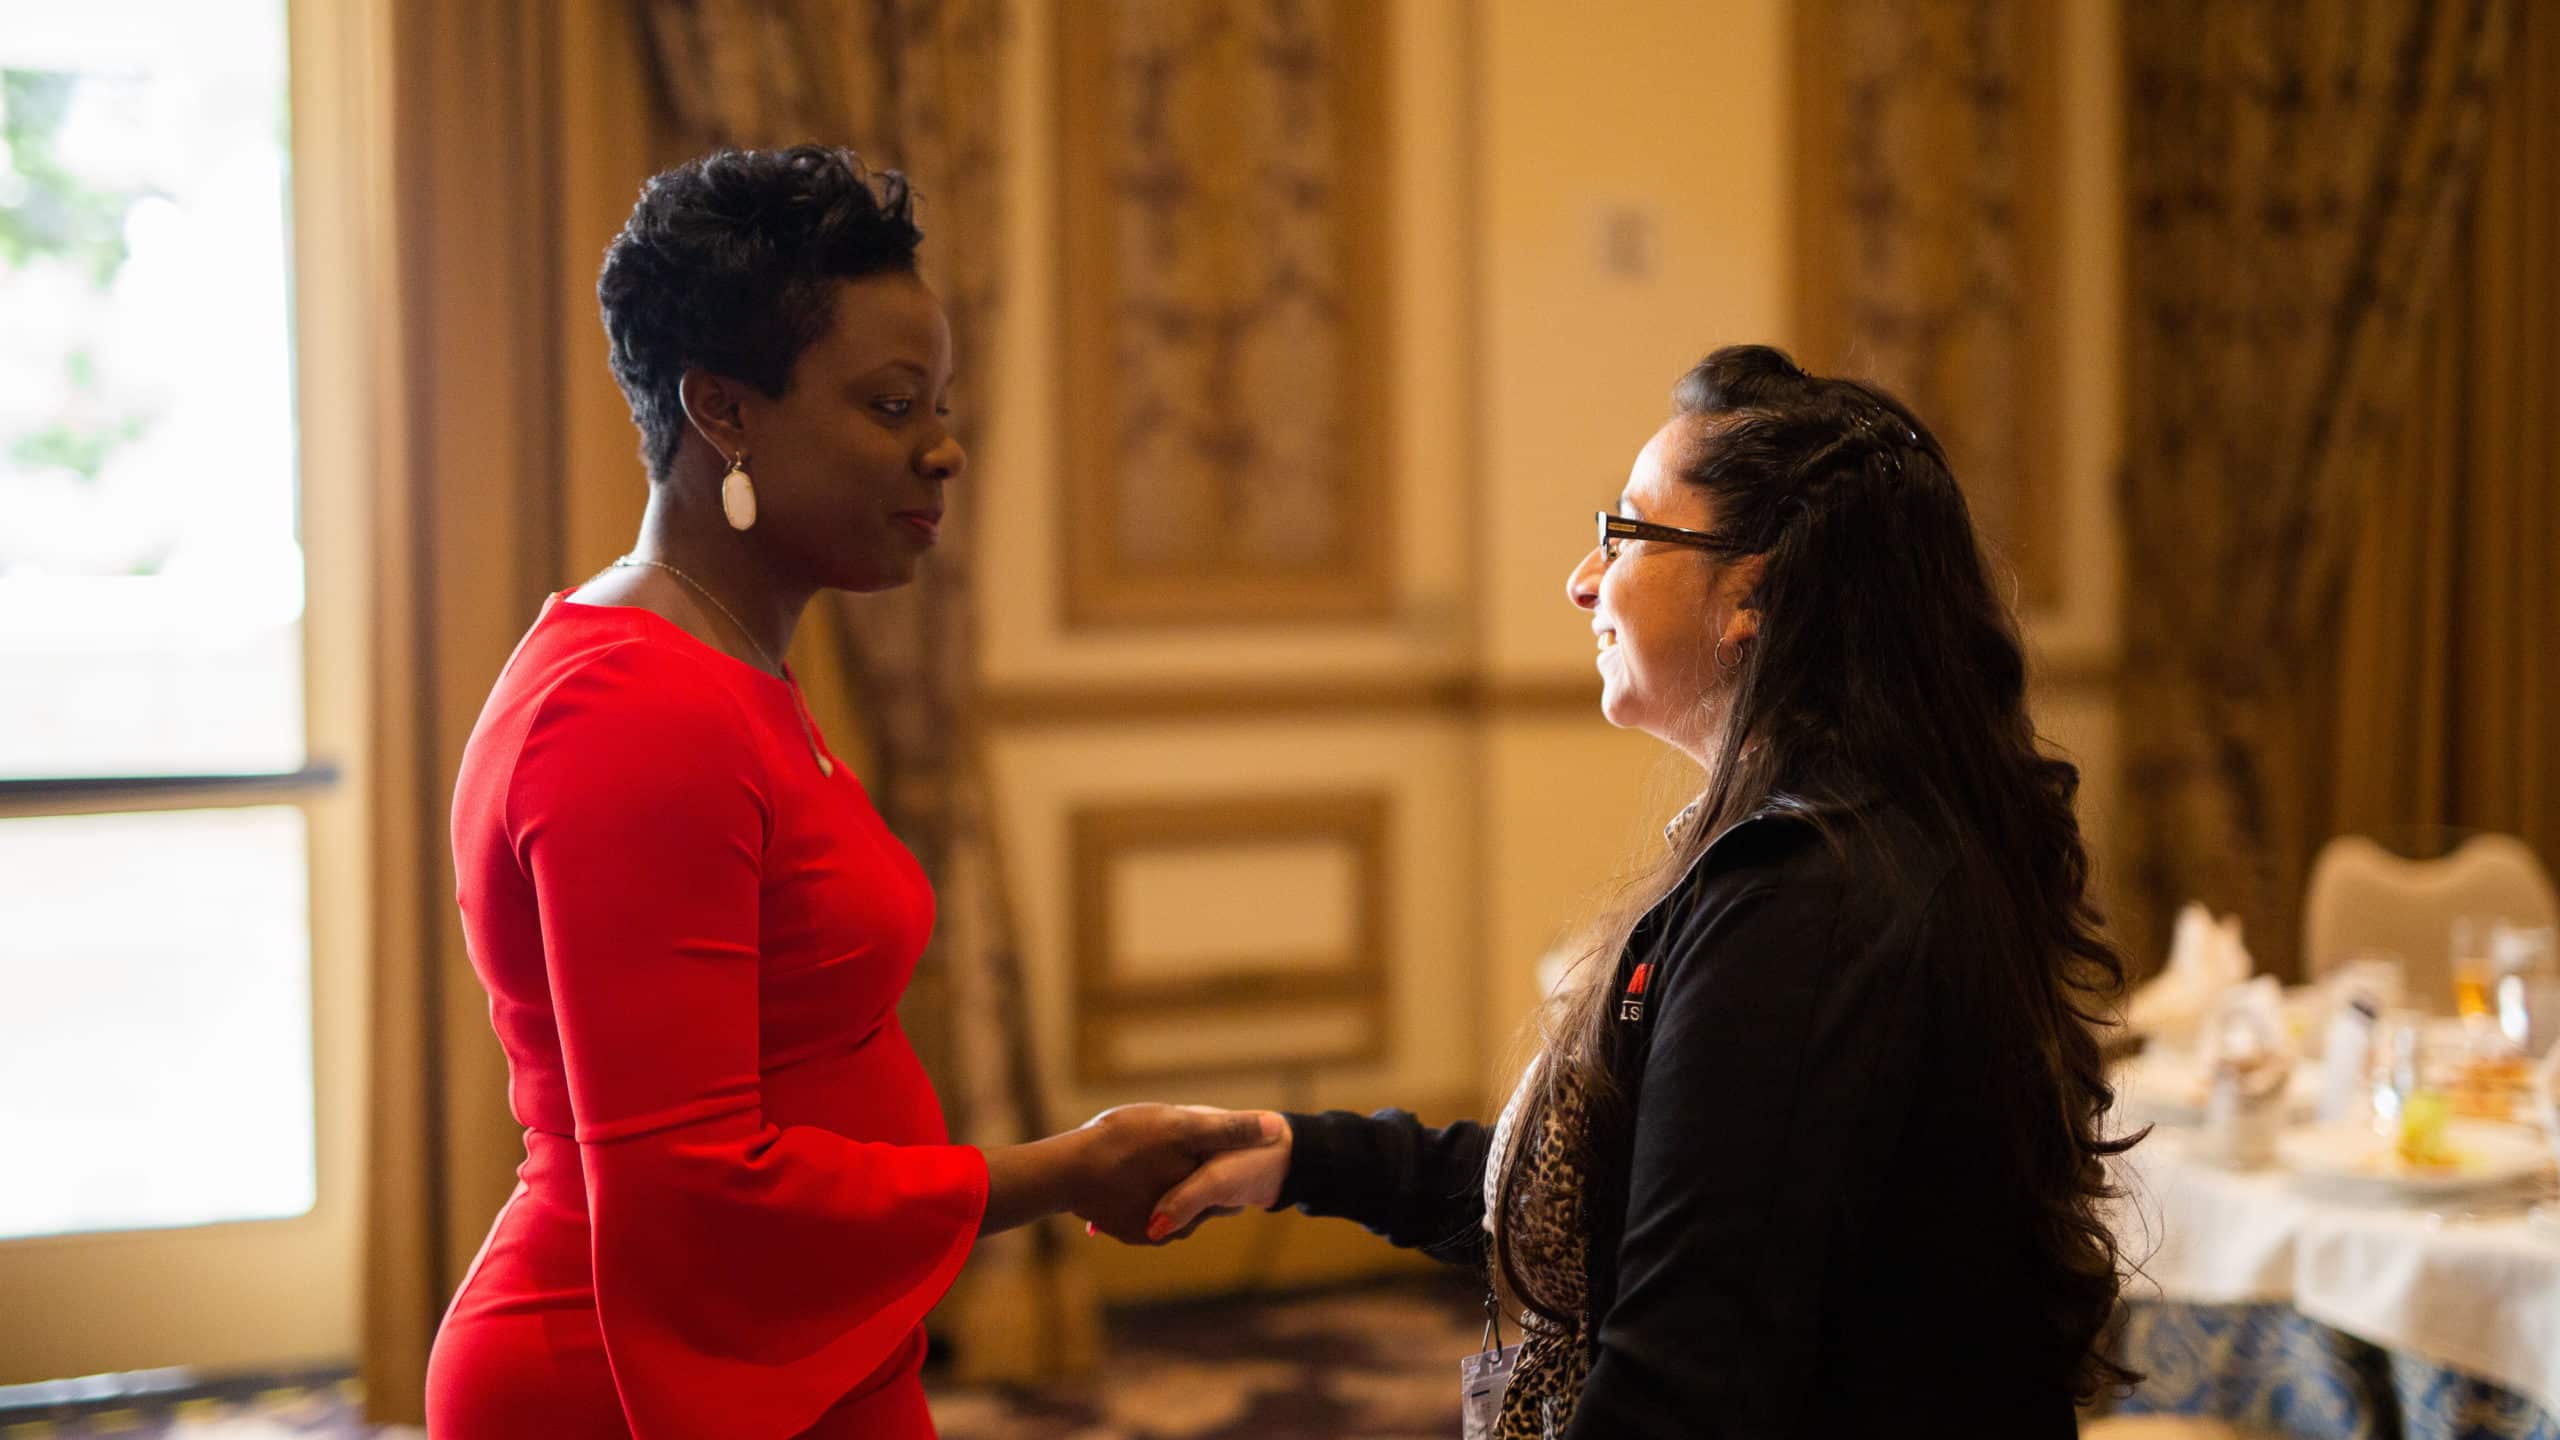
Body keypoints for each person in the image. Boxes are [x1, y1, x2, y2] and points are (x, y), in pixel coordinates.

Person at [423, 145, 1279, 1440]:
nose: (943, 451)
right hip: (630, 1384)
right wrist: (1059, 1173)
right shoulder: (631, 713)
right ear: (724, 413)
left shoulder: (722, 665)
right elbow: (693, 1187)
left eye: (940, 405)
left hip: (798, 1356)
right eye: (891, 407)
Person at [1148, 346, 2141, 1437]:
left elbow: (1682, 1384)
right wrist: (1301, 1156)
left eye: (1625, 532)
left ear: (1752, 595)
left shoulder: (1803, 902)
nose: (1583, 578)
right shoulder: (1836, 844)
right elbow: (1618, 1192)